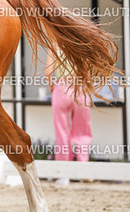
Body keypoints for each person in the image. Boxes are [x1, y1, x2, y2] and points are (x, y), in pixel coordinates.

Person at [45, 50, 93, 185]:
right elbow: (90, 67)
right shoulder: (82, 42)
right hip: (80, 87)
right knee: (82, 132)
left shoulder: (55, 44)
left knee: (62, 134)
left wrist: (52, 87)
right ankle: (83, 170)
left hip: (61, 87)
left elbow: (48, 71)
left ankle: (63, 174)